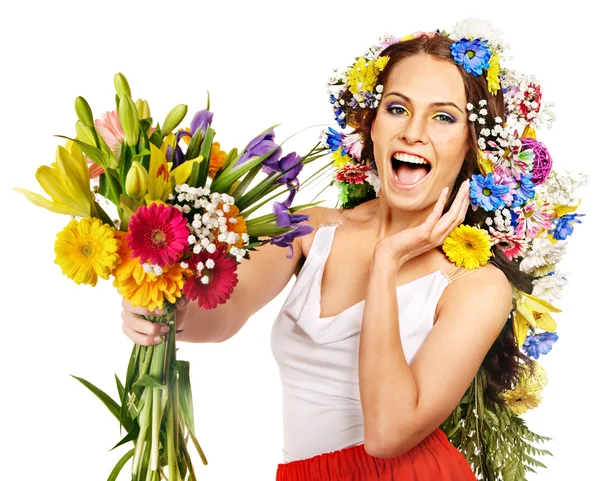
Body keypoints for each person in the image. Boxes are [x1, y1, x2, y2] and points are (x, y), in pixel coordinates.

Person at [121, 21, 579, 481]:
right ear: (372, 126)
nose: (413, 133)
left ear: (470, 146)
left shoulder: (477, 284)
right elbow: (220, 317)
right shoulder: (308, 229)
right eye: (397, 108)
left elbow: (388, 434)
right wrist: (162, 311)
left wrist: (387, 261)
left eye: (443, 117)